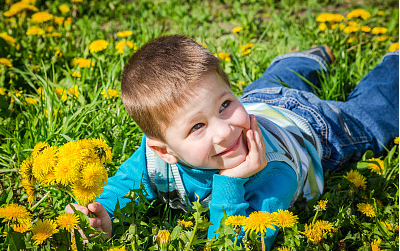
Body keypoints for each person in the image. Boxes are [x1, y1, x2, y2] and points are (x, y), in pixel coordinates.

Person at [66, 35, 399, 249]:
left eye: (225, 104)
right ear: (164, 150)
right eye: (197, 126)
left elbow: (239, 244)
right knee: (271, 83)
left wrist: (231, 183)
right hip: (259, 102)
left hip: (312, 127)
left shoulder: (274, 174)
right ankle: (302, 60)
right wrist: (102, 214)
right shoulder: (153, 159)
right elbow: (121, 185)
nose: (224, 132)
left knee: (374, 115)